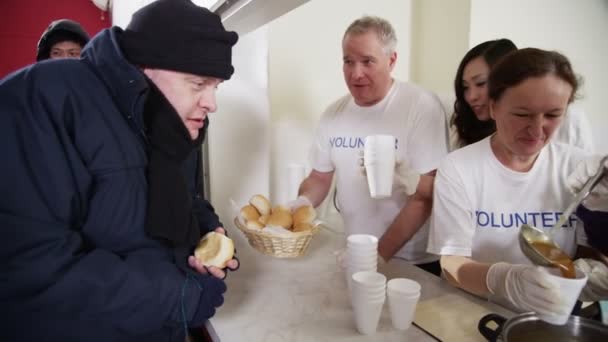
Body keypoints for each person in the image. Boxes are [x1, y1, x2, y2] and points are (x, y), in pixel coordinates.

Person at [0, 0, 239, 341]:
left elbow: (175, 195)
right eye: (198, 84)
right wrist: (180, 298)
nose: (211, 102)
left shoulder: (173, 119)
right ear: (144, 67)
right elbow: (28, 267)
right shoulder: (41, 100)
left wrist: (205, 227)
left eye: (217, 86)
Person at [427, 47, 601, 317]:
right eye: (522, 114)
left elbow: (590, 254)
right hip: (479, 313)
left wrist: (600, 230)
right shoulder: (460, 168)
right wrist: (504, 280)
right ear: (494, 107)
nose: (537, 129)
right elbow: (451, 264)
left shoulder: (580, 170)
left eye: (553, 115)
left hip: (554, 318)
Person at [293, 16, 448, 275]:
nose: (356, 73)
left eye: (367, 61)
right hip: (355, 251)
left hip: (411, 261)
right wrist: (302, 201)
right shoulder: (334, 114)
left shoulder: (420, 106)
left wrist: (379, 255)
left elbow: (426, 197)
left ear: (392, 60)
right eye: (348, 61)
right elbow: (320, 176)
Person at [450, 38, 594, 152]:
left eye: (481, 83)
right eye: (465, 87)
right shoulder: (465, 127)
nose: (471, 96)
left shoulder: (571, 123)